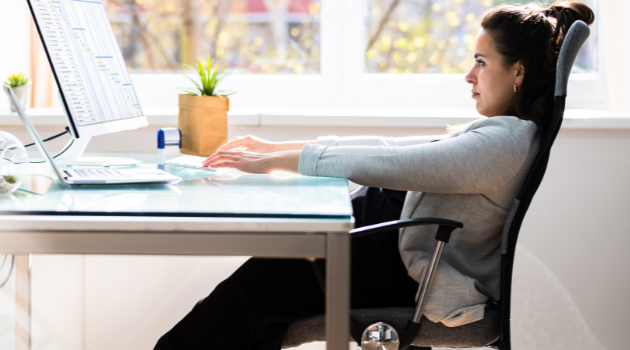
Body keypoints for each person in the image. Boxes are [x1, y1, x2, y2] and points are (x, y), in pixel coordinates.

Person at [155, 2, 594, 350]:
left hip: (399, 262)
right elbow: (393, 148)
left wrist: (279, 160)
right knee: (257, 298)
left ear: (518, 71)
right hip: (385, 242)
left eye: (481, 62)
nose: (469, 76)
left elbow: (392, 166)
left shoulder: (505, 142)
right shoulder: (504, 134)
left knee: (253, 292)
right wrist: (278, 151)